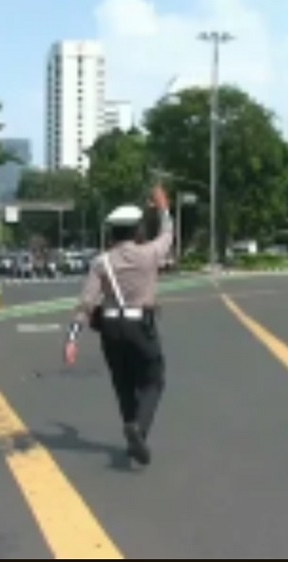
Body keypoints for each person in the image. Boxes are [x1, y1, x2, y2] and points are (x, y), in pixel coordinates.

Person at [63, 184, 173, 466]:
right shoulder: (149, 254)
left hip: (110, 329)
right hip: (140, 326)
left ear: (111, 233)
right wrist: (163, 208)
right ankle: (138, 430)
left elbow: (86, 303)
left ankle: (131, 433)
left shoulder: (101, 262)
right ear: (137, 232)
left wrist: (72, 338)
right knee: (153, 379)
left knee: (123, 383)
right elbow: (167, 235)